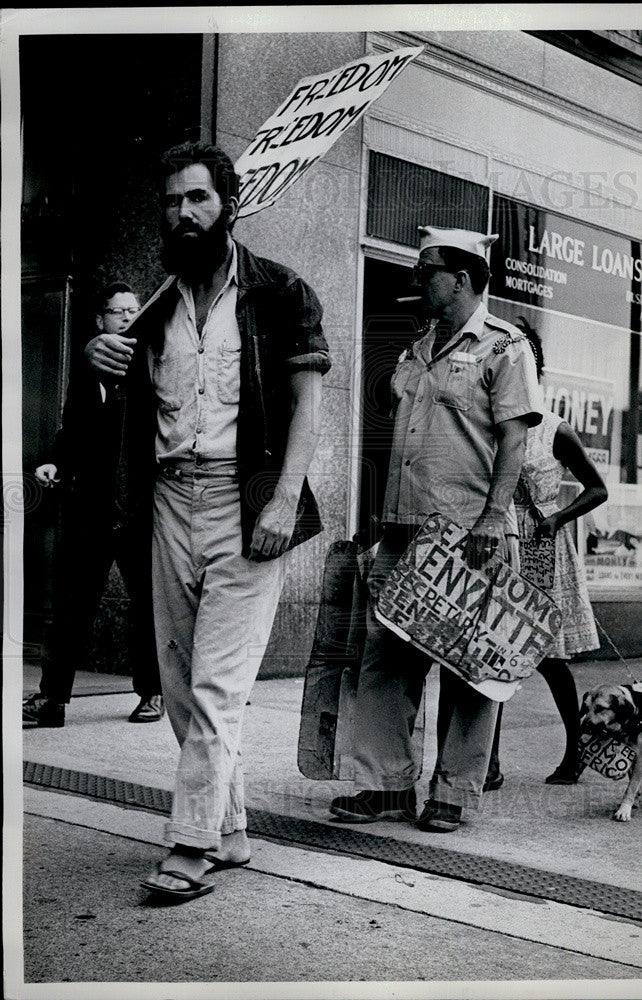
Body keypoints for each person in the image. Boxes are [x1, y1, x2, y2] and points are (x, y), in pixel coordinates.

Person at [87, 141, 330, 901]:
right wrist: (98, 352)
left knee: (219, 686)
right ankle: (231, 830)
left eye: (197, 199)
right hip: (167, 500)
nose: (183, 213)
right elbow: (119, 381)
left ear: (229, 203)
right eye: (171, 202)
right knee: (180, 682)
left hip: (244, 497)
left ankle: (189, 846)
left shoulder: (281, 292)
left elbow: (306, 405)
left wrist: (283, 497)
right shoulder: (157, 306)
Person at [330, 226, 544, 833]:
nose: (418, 280)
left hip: (469, 535)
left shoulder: (507, 348)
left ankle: (452, 793)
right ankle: (385, 786)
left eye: (427, 270)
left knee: (473, 665)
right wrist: (376, 523)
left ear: (464, 278)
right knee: (384, 659)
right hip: (402, 532)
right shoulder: (415, 349)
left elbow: (514, 439)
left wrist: (494, 516)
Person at [23, 283, 164, 729]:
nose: (126, 317)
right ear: (99, 320)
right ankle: (52, 699)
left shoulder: (153, 362)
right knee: (69, 604)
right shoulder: (86, 372)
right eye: (117, 311)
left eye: (133, 310)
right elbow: (71, 430)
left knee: (148, 604)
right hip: (90, 507)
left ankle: (152, 692)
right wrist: (51, 460)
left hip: (142, 507)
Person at [483, 320, 608, 787]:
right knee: (491, 655)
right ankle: (487, 764)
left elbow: (598, 489)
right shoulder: (487, 423)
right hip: (495, 547)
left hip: (540, 549)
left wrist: (557, 518)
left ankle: (575, 752)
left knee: (548, 659)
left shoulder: (554, 428)